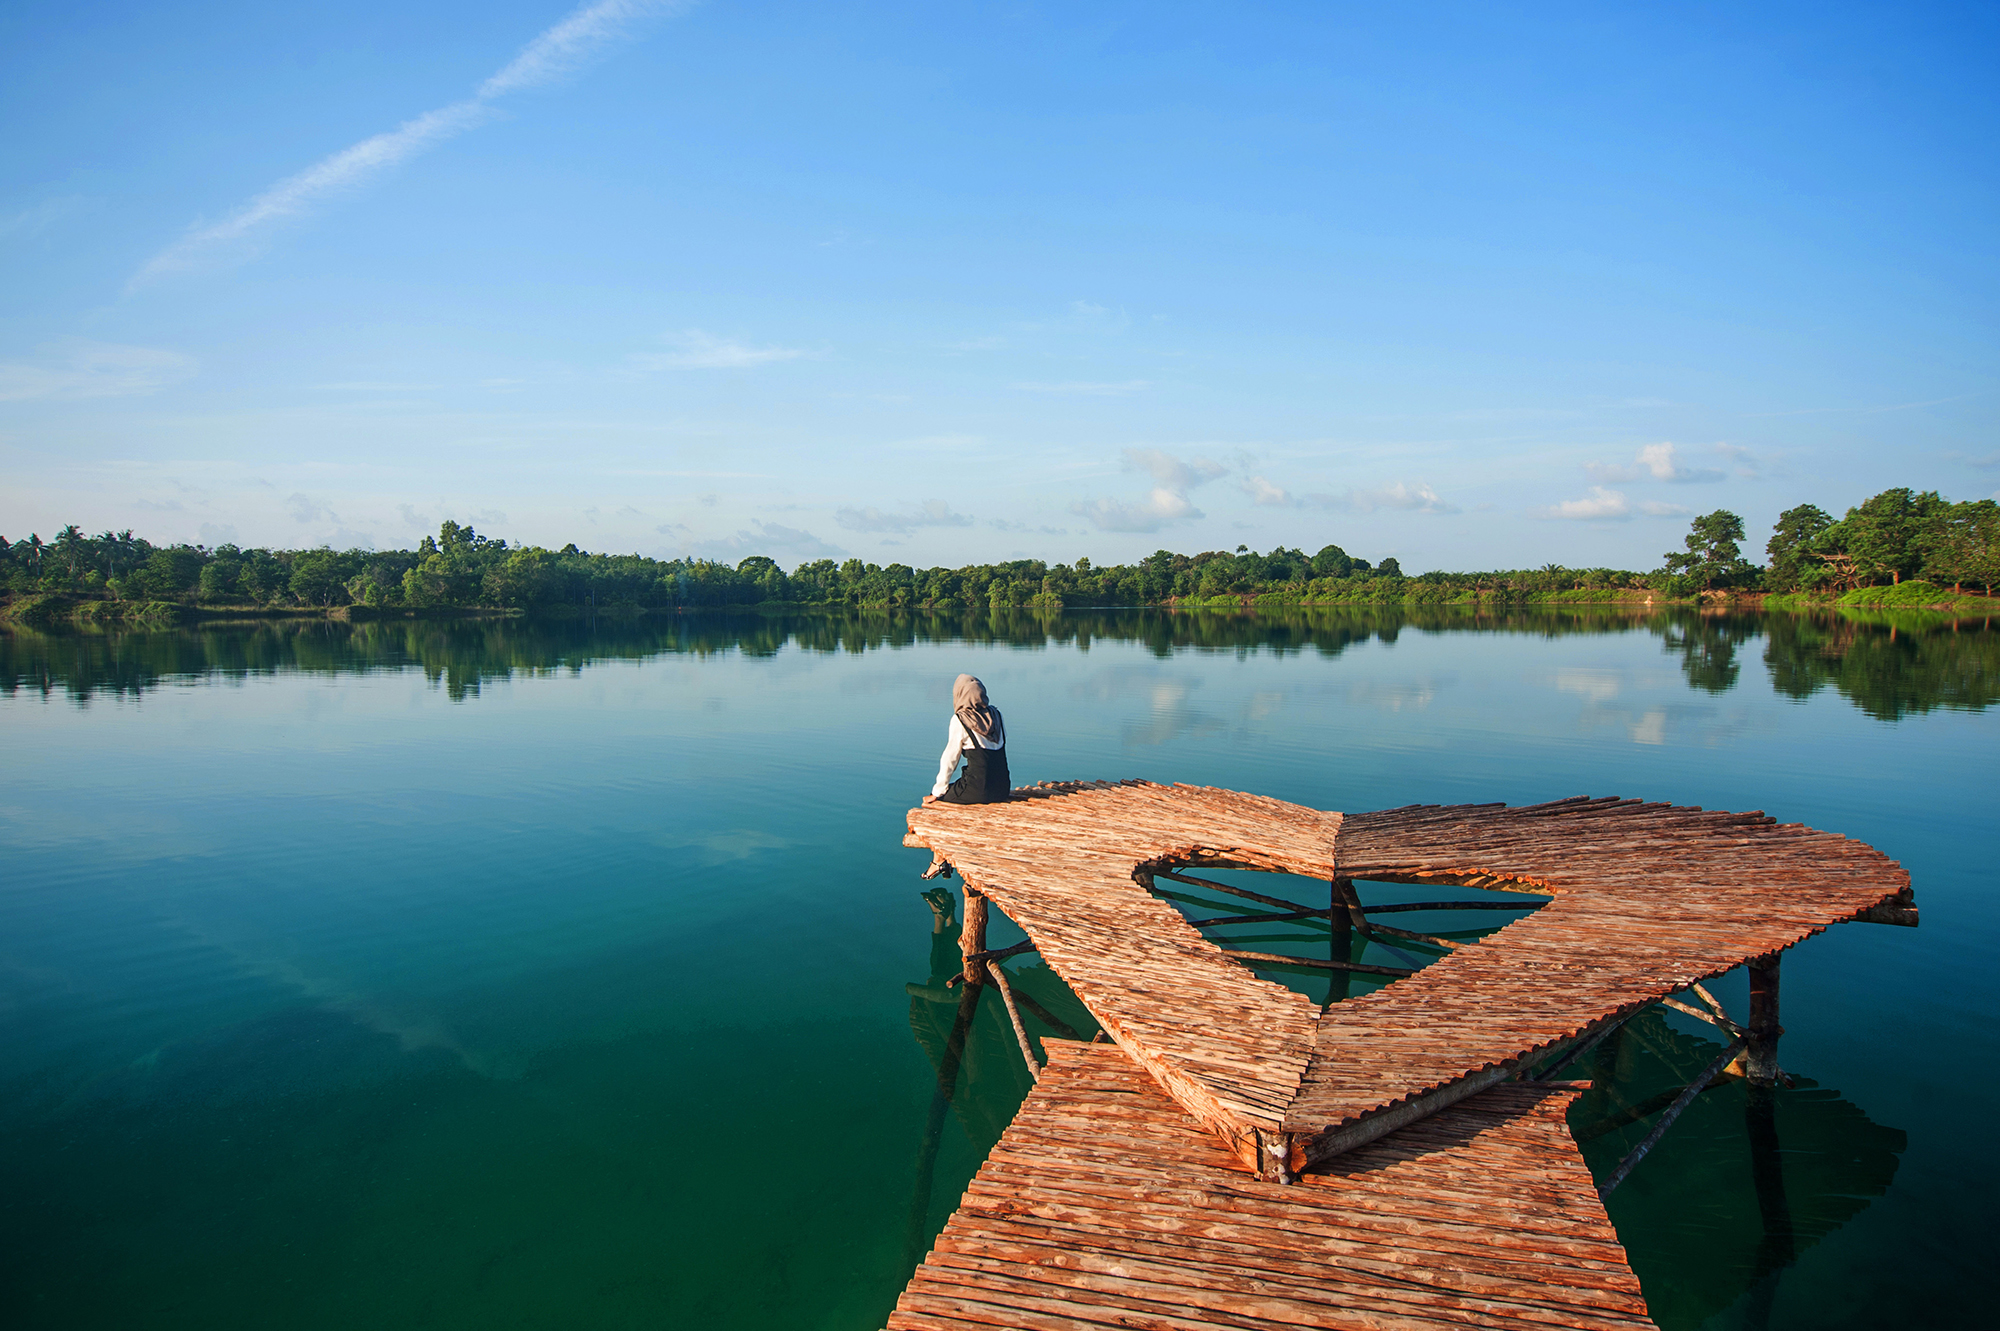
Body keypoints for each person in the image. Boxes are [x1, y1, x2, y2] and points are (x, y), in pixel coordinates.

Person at [924, 673, 1011, 805]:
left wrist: (937, 792)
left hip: (978, 790)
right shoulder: (996, 715)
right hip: (1002, 788)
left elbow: (950, 758)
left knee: (943, 795)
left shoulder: (960, 720)